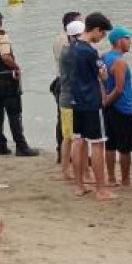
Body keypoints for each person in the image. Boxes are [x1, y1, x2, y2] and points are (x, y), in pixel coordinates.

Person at [0, 10, 38, 157]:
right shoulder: (1, 36)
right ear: (0, 22)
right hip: (6, 80)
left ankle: (0, 146)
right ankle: (21, 147)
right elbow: (5, 57)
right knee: (14, 114)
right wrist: (16, 67)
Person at [69, 12, 115, 200]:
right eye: (102, 34)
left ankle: (79, 185)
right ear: (96, 29)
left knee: (78, 141)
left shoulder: (72, 47)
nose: (102, 38)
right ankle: (101, 189)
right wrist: (103, 75)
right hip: (91, 101)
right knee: (97, 144)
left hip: (75, 100)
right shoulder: (89, 51)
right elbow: (102, 74)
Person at [102, 26, 132, 189]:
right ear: (119, 41)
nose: (130, 42)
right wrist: (107, 101)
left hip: (109, 108)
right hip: (121, 107)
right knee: (125, 147)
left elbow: (100, 79)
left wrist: (104, 101)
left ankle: (110, 178)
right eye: (127, 38)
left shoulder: (103, 56)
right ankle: (125, 181)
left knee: (110, 144)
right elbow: (119, 89)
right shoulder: (120, 61)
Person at [51, 11, 82, 171]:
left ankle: (62, 154)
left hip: (60, 81)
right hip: (66, 83)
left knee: (62, 119)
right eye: (79, 22)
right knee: (69, 122)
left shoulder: (58, 39)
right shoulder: (67, 42)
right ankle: (67, 155)